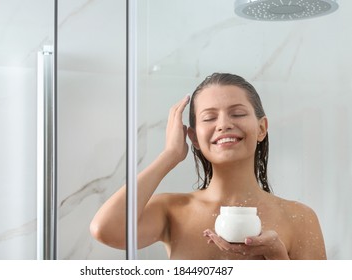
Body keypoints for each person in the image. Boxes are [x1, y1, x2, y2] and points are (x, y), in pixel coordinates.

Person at [90, 73, 326, 260]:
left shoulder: (300, 218)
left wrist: (276, 256)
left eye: (237, 113)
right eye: (209, 118)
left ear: (262, 128)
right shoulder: (172, 210)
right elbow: (106, 229)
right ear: (193, 137)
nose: (223, 124)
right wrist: (169, 155)